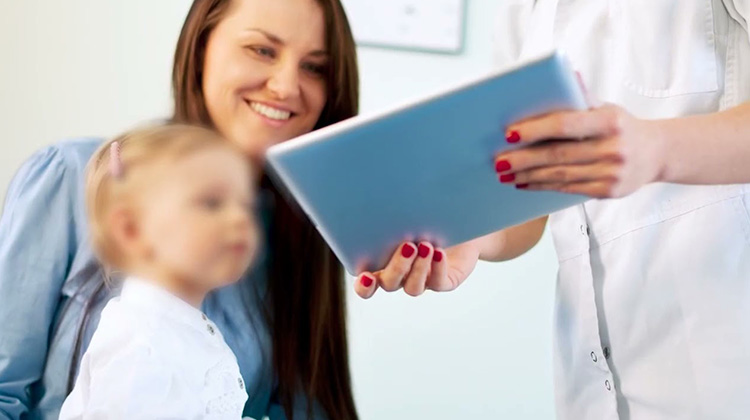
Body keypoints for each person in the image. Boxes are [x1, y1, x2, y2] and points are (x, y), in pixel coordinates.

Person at [354, 0, 750, 418]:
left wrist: (658, 149)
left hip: (724, 364)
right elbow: (532, 191)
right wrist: (472, 233)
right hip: (595, 386)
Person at [0, 0, 366, 418]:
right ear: (200, 48)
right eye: (263, 50)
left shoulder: (299, 228)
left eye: (315, 67)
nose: (286, 86)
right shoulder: (73, 177)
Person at [58, 124, 259, 418]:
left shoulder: (176, 329)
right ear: (131, 230)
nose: (240, 218)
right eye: (212, 202)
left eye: (245, 204)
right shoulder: (140, 348)